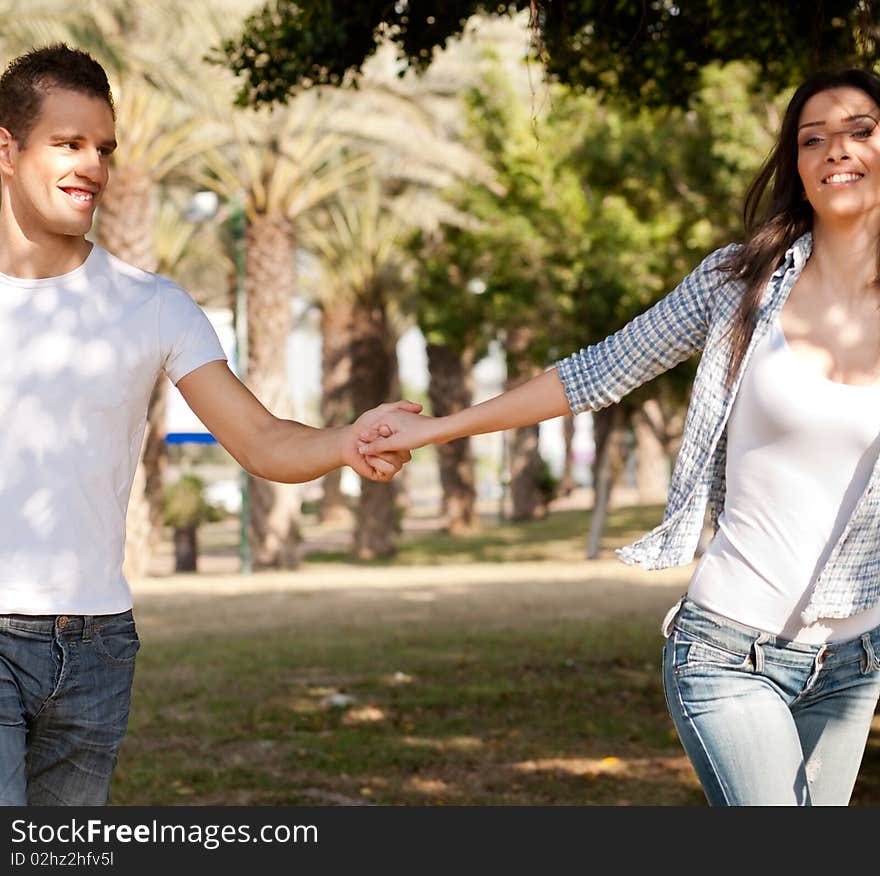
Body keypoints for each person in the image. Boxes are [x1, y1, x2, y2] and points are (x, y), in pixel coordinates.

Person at [358, 69, 880, 806]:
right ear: (795, 166)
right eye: (813, 139)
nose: (837, 151)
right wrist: (444, 426)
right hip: (730, 650)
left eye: (860, 130)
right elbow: (597, 373)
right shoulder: (739, 284)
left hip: (855, 660)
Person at [0, 43, 417, 806]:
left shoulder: (151, 304)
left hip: (95, 644)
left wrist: (345, 441)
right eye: (67, 144)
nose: (90, 165)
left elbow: (259, 440)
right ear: (6, 147)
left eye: (103, 148)